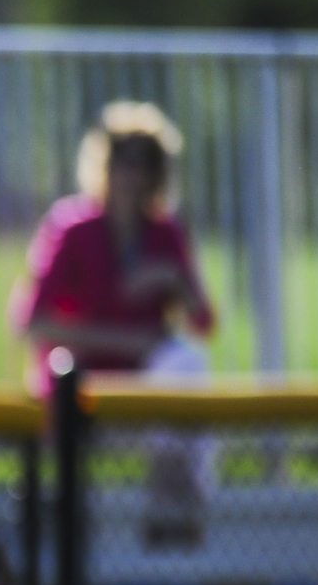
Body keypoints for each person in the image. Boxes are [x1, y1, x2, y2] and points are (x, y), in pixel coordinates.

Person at [12, 101, 219, 546]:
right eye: (121, 160)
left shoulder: (165, 233)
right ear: (103, 165)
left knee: (187, 363)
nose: (131, 174)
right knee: (173, 371)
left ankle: (174, 518)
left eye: (143, 163)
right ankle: (171, 523)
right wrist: (126, 341)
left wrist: (175, 280)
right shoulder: (72, 227)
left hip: (143, 387)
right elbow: (30, 322)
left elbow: (204, 323)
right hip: (77, 386)